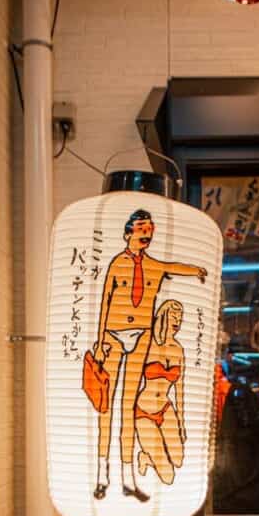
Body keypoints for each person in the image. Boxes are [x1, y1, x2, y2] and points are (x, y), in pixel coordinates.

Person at [93, 209, 206, 501]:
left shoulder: (154, 266)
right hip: (114, 335)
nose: (147, 234)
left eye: (150, 229)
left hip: (141, 335)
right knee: (106, 407)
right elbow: (106, 300)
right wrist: (100, 339)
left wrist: (196, 270)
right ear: (129, 231)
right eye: (142, 229)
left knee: (128, 406)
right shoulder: (117, 263)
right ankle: (102, 473)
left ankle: (128, 476)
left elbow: (173, 265)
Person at [136, 300, 186, 485]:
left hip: (166, 407)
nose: (177, 321)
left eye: (180, 317)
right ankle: (147, 456)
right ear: (163, 316)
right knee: (169, 476)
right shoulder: (147, 344)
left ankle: (147, 457)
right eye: (173, 316)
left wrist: (181, 423)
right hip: (143, 410)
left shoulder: (178, 350)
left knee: (179, 460)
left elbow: (179, 390)